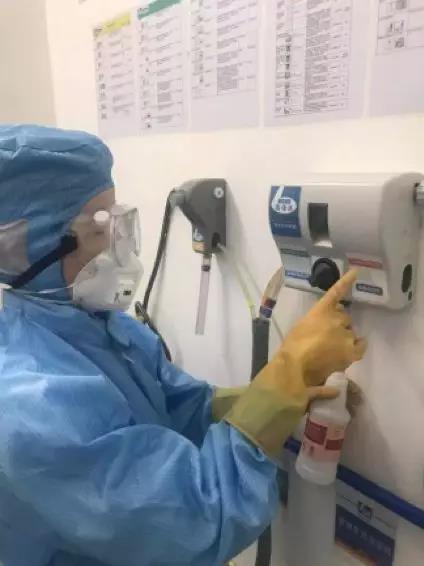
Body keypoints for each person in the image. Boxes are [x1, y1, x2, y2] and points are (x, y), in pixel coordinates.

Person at [0, 125, 366, 566]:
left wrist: (285, 396)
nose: (119, 247)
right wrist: (290, 373)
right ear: (35, 247)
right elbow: (196, 517)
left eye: (117, 222)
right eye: (100, 230)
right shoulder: (30, 407)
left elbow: (181, 407)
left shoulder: (102, 329)